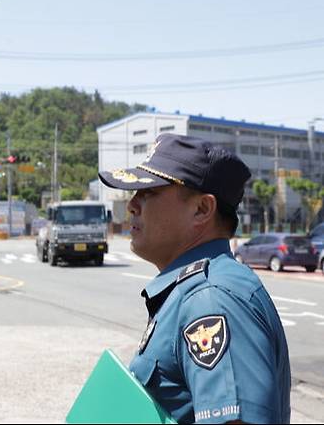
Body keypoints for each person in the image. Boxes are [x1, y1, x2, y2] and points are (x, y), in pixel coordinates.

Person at [99, 133, 290, 424]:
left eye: (149, 192)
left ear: (201, 209)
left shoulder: (211, 298)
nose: (133, 205)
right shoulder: (197, 289)